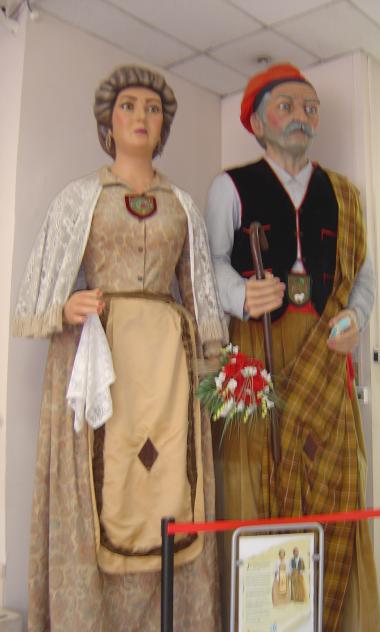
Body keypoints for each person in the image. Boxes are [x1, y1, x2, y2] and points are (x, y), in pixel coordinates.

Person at [13, 65, 227, 631]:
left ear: (163, 127)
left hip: (168, 371)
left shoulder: (182, 205)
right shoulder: (79, 198)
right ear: (108, 122)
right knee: (99, 486)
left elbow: (200, 292)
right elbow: (39, 297)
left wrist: (216, 370)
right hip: (98, 363)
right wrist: (66, 307)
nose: (141, 116)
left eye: (152, 109)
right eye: (128, 106)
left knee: (171, 482)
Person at [206, 63, 380, 631]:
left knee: (335, 486)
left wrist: (356, 316)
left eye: (310, 108)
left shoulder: (346, 195)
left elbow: (363, 276)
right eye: (287, 106)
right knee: (258, 479)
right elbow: (208, 264)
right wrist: (240, 295)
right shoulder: (230, 187)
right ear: (257, 123)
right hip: (258, 356)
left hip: (327, 354)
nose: (302, 116)